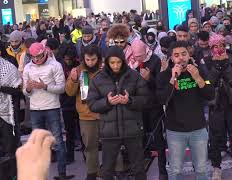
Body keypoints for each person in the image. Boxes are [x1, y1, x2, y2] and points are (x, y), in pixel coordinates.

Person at [87, 46, 151, 180]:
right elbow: (92, 104)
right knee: (107, 170)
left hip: (132, 129)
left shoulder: (134, 76)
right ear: (107, 62)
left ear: (123, 61)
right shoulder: (98, 79)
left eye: (118, 62)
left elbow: (145, 99)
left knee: (139, 168)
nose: (115, 66)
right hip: (109, 132)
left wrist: (129, 100)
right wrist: (108, 102)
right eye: (112, 62)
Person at [156, 41, 214, 180]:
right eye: (176, 55)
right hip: (175, 131)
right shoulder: (164, 76)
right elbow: (162, 100)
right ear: (171, 58)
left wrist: (198, 78)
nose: (181, 58)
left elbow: (211, 95)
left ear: (189, 55)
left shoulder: (198, 70)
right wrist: (172, 79)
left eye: (184, 54)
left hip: (198, 129)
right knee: (175, 170)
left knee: (201, 169)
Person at [22, 43, 74, 180]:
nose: (36, 60)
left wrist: (45, 86)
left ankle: (62, 173)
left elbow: (62, 88)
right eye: (33, 57)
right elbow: (25, 92)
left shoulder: (55, 65)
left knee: (58, 140)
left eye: (38, 56)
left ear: (44, 53)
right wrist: (28, 89)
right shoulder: (28, 67)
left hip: (52, 107)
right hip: (35, 109)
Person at [203, 34, 232, 180]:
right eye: (215, 46)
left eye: (221, 45)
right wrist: (216, 66)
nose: (218, 49)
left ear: (225, 45)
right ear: (210, 48)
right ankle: (216, 168)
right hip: (215, 104)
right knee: (215, 137)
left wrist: (225, 64)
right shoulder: (206, 61)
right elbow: (207, 83)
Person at [131, 39, 168, 179]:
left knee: (158, 139)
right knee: (140, 138)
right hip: (140, 106)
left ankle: (163, 171)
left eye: (139, 56)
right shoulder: (134, 62)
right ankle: (140, 169)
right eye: (135, 56)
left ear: (145, 51)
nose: (137, 58)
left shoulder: (155, 60)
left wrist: (149, 78)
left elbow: (161, 84)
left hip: (154, 106)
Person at [65, 45, 101, 180]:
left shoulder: (105, 69)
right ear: (83, 59)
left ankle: (115, 171)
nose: (91, 62)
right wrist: (73, 80)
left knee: (112, 145)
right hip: (86, 115)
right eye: (88, 60)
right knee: (90, 147)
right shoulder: (78, 70)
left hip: (105, 113)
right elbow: (69, 92)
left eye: (93, 60)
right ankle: (92, 173)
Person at [0, 56, 22, 158]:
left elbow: (18, 91)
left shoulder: (9, 69)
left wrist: (1, 88)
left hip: (8, 111)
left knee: (10, 145)